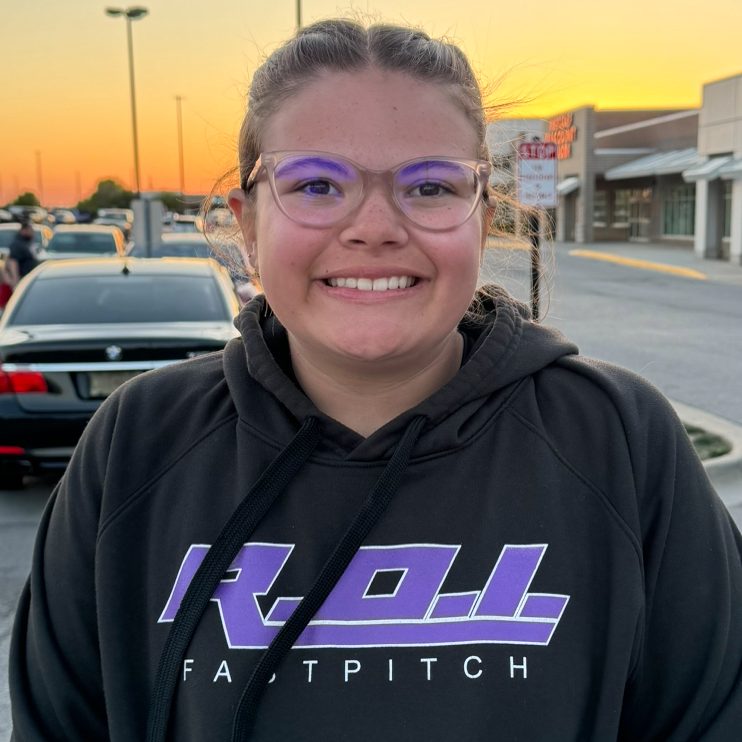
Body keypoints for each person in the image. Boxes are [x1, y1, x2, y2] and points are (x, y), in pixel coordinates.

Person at [9, 19, 742, 742]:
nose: (375, 226)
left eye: (430, 186)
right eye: (316, 184)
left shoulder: (617, 439)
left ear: (483, 219)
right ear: (248, 225)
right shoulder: (138, 442)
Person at [1, 220, 38, 292]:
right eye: (30, 230)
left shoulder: (26, 243)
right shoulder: (18, 244)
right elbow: (13, 262)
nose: (32, 233)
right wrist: (15, 282)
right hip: (22, 280)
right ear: (24, 230)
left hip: (26, 279)